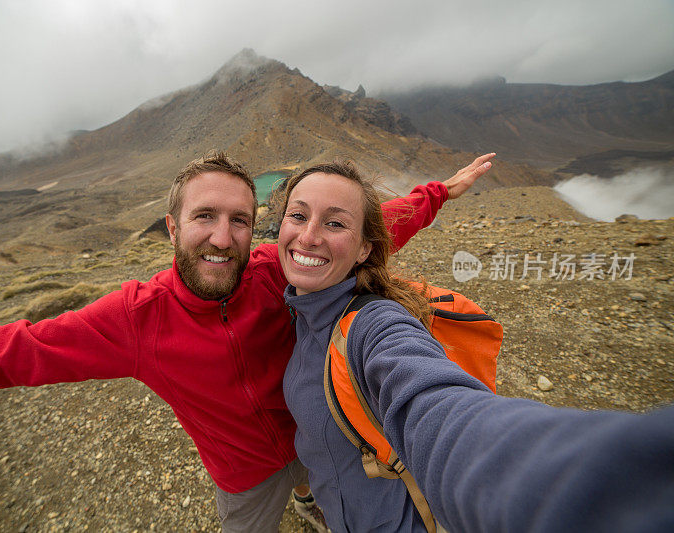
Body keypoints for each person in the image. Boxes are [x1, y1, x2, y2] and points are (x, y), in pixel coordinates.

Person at [0, 151, 495, 532]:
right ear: (173, 227)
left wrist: (439, 192)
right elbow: (12, 351)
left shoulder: (275, 270)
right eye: (204, 217)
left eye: (239, 221)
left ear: (257, 230)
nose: (222, 238)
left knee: (314, 479)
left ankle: (309, 500)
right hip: (242, 475)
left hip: (311, 433)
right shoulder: (133, 320)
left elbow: (365, 228)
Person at [276, 160, 674, 532]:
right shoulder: (301, 308)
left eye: (335, 223)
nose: (308, 236)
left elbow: (441, 413)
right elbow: (396, 216)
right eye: (298, 215)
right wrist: (437, 193)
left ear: (365, 248)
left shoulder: (374, 327)